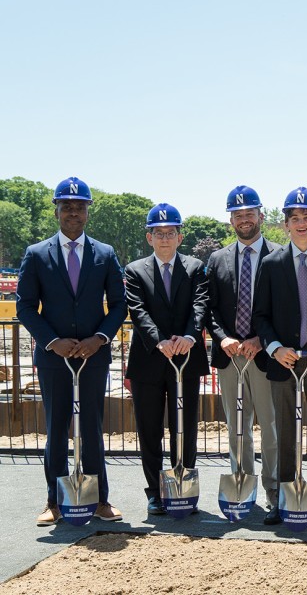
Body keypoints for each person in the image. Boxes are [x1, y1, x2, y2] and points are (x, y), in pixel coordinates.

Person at [17, 177, 127, 525]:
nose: (74, 213)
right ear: (57, 211)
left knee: (92, 428)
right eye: (67, 207)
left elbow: (120, 305)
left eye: (80, 207)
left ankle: (99, 500)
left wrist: (99, 339)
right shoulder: (36, 255)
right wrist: (53, 341)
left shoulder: (105, 254)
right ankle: (54, 501)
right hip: (54, 360)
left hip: (94, 358)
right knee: (56, 429)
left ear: (87, 213)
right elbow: (24, 307)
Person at [253, 186, 307, 526]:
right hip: (284, 362)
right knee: (285, 435)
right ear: (285, 224)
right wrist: (275, 348)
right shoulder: (272, 263)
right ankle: (283, 499)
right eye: (295, 218)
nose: (301, 223)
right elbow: (260, 316)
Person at [124, 203, 210, 516]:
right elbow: (138, 310)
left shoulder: (195, 267)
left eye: (170, 233)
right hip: (149, 360)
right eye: (158, 233)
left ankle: (184, 487)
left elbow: (200, 304)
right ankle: (154, 493)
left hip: (185, 360)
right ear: (149, 238)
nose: (164, 238)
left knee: (184, 427)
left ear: (179, 237)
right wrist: (158, 341)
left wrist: (189, 337)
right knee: (149, 430)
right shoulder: (135, 270)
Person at [205, 185, 281, 512]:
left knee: (272, 428)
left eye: (249, 213)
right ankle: (243, 489)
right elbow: (208, 308)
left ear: (261, 215)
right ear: (231, 220)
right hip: (229, 356)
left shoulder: (279, 256)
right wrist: (222, 337)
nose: (244, 219)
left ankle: (274, 492)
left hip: (265, 357)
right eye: (238, 214)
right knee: (238, 430)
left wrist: (260, 341)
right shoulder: (217, 259)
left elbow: (286, 309)